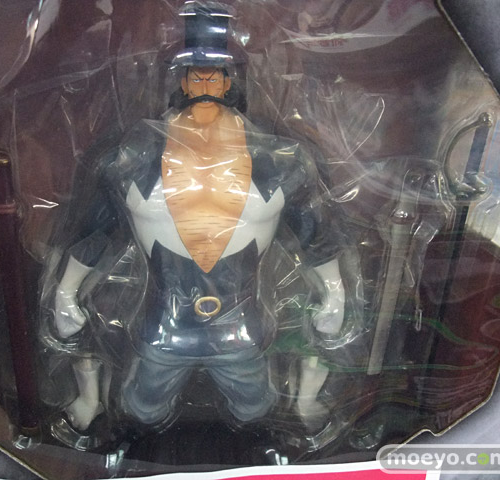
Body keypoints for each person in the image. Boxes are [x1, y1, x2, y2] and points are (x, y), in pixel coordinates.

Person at [52, 3, 346, 434]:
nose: (205, 84)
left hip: (240, 331)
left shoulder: (279, 159)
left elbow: (313, 232)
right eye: (196, 75)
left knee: (255, 411)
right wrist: (66, 292)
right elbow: (96, 231)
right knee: (142, 411)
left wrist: (334, 294)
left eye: (214, 76)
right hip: (164, 328)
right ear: (182, 80)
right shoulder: (132, 156)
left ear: (228, 81)